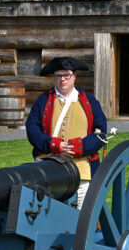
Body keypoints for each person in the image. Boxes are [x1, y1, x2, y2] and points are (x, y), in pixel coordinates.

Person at [24, 57, 107, 210]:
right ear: (54, 78)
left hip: (83, 170)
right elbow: (32, 129)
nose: (62, 79)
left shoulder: (89, 101)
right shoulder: (42, 101)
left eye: (66, 75)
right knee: (50, 212)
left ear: (74, 76)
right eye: (58, 75)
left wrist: (79, 147)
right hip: (49, 169)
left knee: (81, 217)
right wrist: (53, 145)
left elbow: (101, 132)